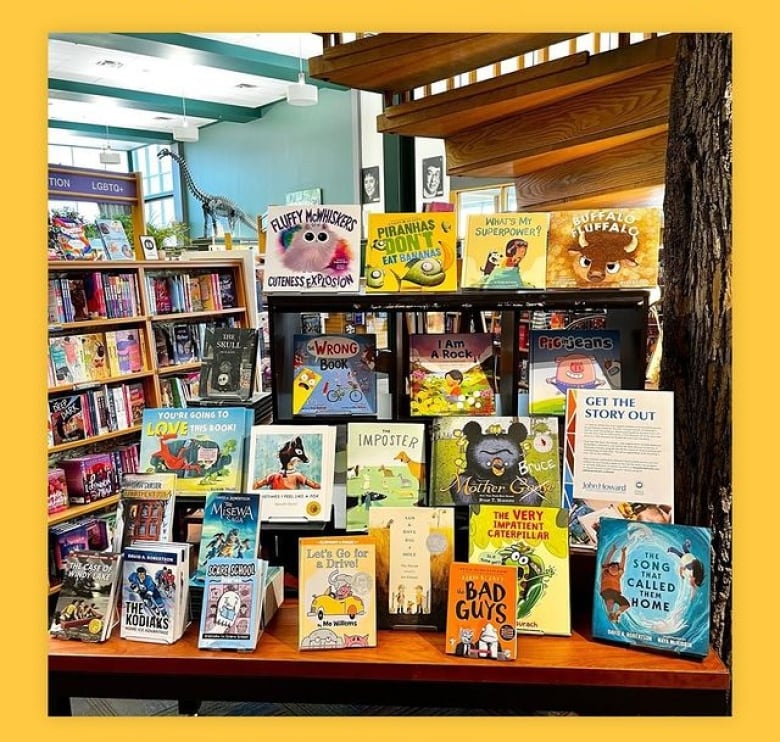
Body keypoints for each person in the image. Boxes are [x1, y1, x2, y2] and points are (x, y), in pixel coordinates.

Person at [598, 543, 629, 621]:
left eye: (615, 567)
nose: (613, 568)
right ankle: (610, 614)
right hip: (606, 591)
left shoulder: (618, 574)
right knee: (610, 601)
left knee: (626, 605)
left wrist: (623, 552)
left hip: (616, 593)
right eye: (611, 567)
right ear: (608, 568)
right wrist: (613, 550)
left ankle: (616, 614)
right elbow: (607, 560)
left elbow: (622, 564)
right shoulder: (605, 572)